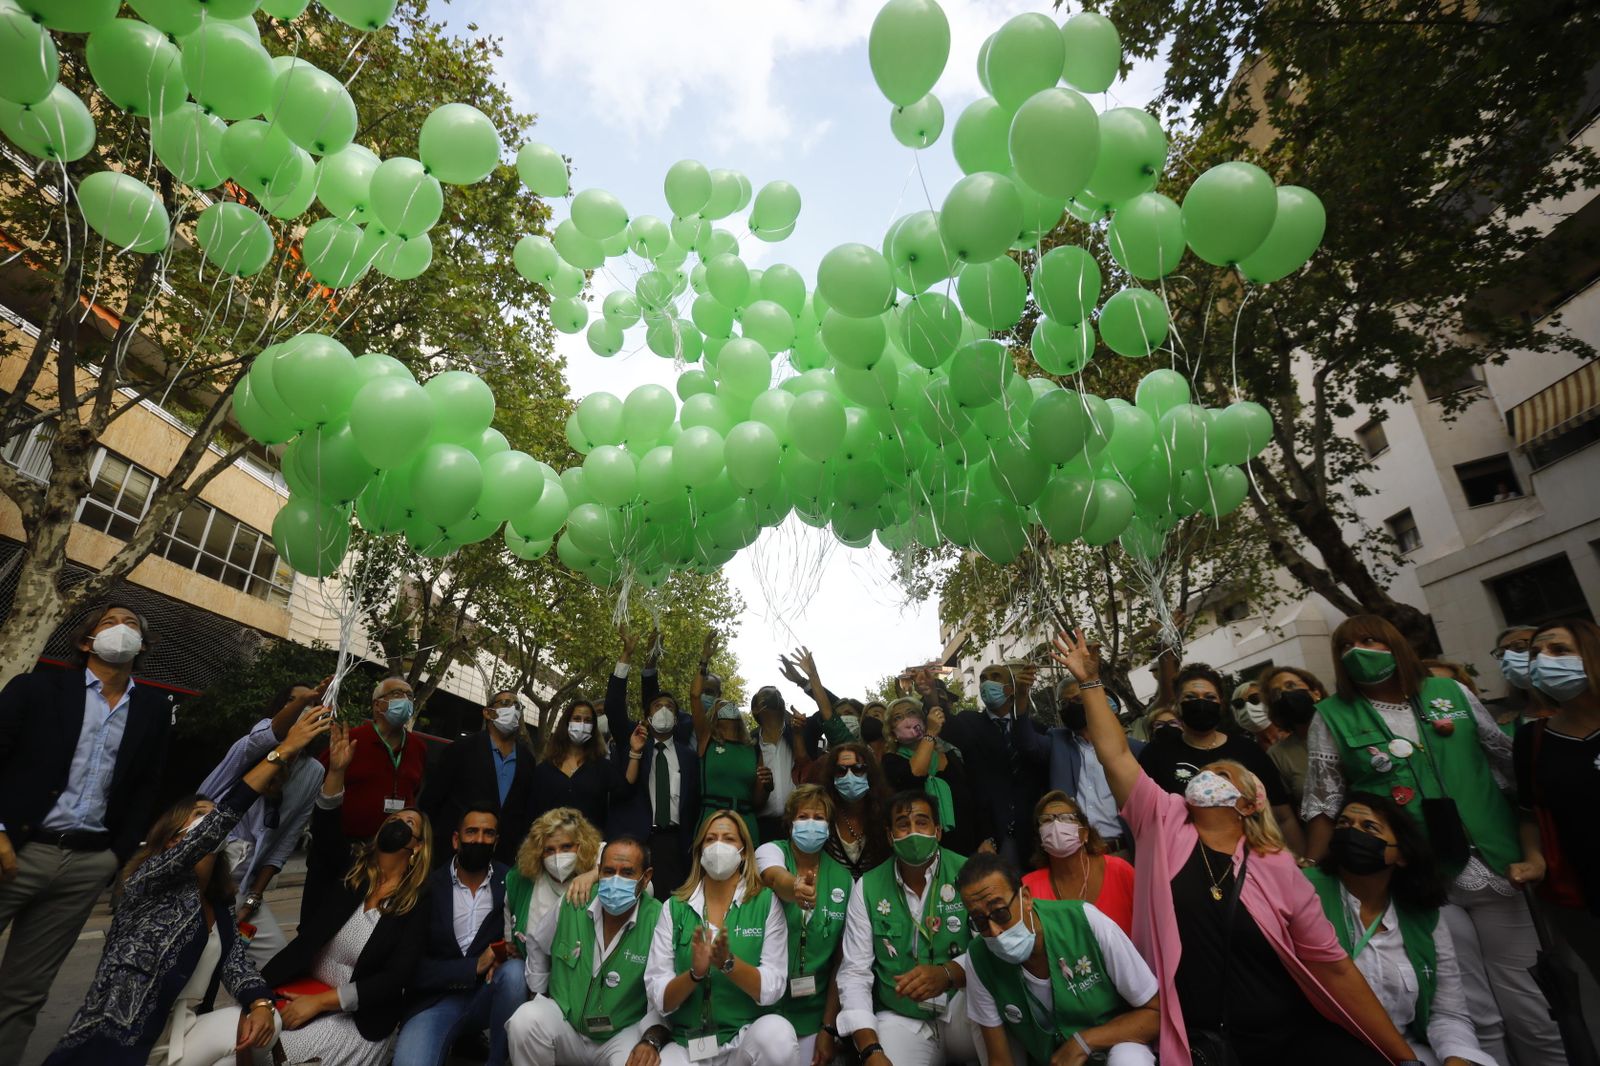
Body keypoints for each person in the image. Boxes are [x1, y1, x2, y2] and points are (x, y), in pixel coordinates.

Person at [1051, 627, 1422, 1066]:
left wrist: (1404, 1058)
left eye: (1224, 774)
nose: (1209, 774)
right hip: (1206, 1043)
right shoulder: (1163, 820)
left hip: (1287, 1034)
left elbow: (1335, 967)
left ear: (1250, 802)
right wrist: (1091, 682)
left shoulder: (1278, 865)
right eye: (1206, 773)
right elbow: (1115, 755)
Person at [1304, 614, 1562, 1066]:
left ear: (1395, 644)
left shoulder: (1451, 693)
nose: (1357, 650)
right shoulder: (1330, 716)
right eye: (1345, 645)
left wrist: (1536, 844)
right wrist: (1313, 868)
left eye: (1369, 640)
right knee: (1470, 1008)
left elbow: (1506, 764)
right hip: (1422, 882)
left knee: (1530, 998)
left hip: (1502, 866)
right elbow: (1325, 801)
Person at [43, 705, 333, 1065]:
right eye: (199, 815)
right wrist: (283, 750)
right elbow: (222, 821)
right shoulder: (149, 880)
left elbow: (237, 965)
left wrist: (259, 1002)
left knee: (259, 1026)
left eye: (210, 814)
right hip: (122, 1040)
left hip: (186, 1031)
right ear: (170, 840)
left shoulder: (221, 902)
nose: (209, 819)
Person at [0, 603, 173, 1057]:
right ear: (85, 641)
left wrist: (115, 856)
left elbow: (146, 785)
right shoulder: (37, 688)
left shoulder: (153, 709)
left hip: (84, 864)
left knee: (24, 993)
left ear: (142, 645)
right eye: (110, 623)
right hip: (14, 848)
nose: (121, 630)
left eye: (132, 624)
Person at [262, 721, 434, 1065]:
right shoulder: (352, 873)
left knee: (277, 1053)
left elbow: (394, 978)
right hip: (299, 987)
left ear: (417, 847)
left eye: (409, 824)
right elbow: (326, 834)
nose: (399, 822)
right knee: (246, 1039)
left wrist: (322, 1002)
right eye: (395, 818)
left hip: (355, 1018)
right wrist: (337, 772)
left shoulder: (416, 901)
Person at [1307, 793, 1493, 1066]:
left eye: (1368, 827)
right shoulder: (1304, 891)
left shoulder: (1423, 916)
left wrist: (1458, 1059)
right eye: (1344, 824)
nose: (1351, 832)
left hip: (1405, 1052)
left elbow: (1447, 1014)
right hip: (1326, 1051)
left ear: (1402, 855)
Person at [959, 852, 1160, 1066]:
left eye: (1000, 912)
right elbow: (999, 1059)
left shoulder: (1085, 921)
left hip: (1115, 1043)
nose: (995, 931)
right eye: (980, 921)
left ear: (1025, 898)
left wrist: (1084, 1042)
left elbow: (1155, 1014)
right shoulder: (979, 958)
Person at [837, 790, 979, 1066]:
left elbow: (994, 949)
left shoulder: (970, 873)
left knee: (999, 1010)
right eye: (903, 824)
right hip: (902, 1018)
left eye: (922, 822)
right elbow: (855, 973)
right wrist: (870, 1051)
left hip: (962, 1007)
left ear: (938, 831)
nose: (913, 832)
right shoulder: (867, 886)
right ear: (890, 836)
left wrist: (948, 973)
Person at [645, 810, 797, 1066]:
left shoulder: (765, 903)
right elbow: (660, 997)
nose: (718, 846)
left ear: (744, 851)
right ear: (699, 851)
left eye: (728, 839)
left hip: (743, 1040)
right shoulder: (674, 907)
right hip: (688, 1044)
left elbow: (773, 987)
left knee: (778, 1037)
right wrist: (695, 974)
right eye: (710, 839)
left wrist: (729, 964)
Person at [197, 680, 328, 966]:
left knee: (275, 961)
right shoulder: (252, 747)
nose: (303, 709)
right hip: (200, 871)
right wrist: (304, 701)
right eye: (294, 702)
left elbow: (285, 841)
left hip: (242, 886)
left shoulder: (313, 772)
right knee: (191, 957)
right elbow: (272, 733)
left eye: (311, 706)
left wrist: (254, 897)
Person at [507, 835, 670, 1066]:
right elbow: (536, 941)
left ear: (646, 878)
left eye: (627, 873)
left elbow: (662, 992)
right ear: (598, 872)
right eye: (608, 871)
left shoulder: (658, 919)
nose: (615, 880)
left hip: (620, 1034)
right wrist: (537, 993)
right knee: (524, 1021)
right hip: (567, 1023)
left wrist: (651, 1039)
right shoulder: (574, 901)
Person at [394, 806, 524, 1066]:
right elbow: (410, 967)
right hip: (435, 1001)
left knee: (515, 973)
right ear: (456, 840)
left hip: (487, 994)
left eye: (488, 834)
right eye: (472, 832)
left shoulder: (510, 881)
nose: (479, 840)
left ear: (496, 842)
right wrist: (472, 966)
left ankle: (497, 1061)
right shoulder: (426, 887)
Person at [1137, 661, 1307, 857]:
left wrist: (1302, 861)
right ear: (1177, 705)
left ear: (1221, 704)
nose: (1200, 703)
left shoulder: (1248, 751)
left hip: (1254, 860)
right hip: (1187, 863)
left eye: (1209, 697)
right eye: (1190, 697)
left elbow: (1282, 816)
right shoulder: (1156, 755)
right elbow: (1146, 820)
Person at [1513, 619, 1600, 998]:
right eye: (1536, 654)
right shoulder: (1532, 739)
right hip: (1586, 897)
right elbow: (1531, 812)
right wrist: (1534, 859)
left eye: (1559, 650)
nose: (1542, 661)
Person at [303, 675, 429, 915]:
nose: (406, 700)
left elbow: (414, 791)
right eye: (396, 694)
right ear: (377, 705)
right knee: (321, 925)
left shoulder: (418, 748)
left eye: (410, 696)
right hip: (341, 854)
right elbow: (318, 791)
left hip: (390, 859)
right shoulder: (351, 740)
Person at [754, 785, 851, 1066]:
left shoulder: (844, 879)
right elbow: (774, 878)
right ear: (790, 822)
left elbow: (841, 963)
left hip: (814, 1012)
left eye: (819, 818)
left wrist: (827, 1028)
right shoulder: (771, 852)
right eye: (803, 816)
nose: (811, 823)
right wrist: (795, 887)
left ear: (830, 827)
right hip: (763, 1008)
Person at [606, 642, 701, 899]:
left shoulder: (690, 758)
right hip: (637, 839)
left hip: (675, 844)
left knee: (670, 908)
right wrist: (625, 656)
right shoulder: (634, 743)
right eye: (657, 706)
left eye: (670, 707)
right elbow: (613, 708)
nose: (664, 711)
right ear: (647, 716)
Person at [940, 662, 1049, 865]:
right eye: (983, 678)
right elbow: (947, 727)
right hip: (992, 834)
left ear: (1011, 687)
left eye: (996, 677)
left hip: (1034, 831)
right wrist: (932, 696)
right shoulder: (968, 722)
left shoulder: (1037, 730)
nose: (987, 682)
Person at [419, 690, 539, 867]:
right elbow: (432, 800)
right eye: (505, 703)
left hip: (502, 858)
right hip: (456, 854)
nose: (513, 709)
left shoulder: (527, 759)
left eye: (517, 706)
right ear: (487, 712)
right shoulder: (461, 749)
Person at [1047, 677, 1142, 856]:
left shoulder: (1135, 750)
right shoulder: (1059, 741)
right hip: (1077, 853)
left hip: (1121, 851)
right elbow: (1026, 740)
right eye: (1064, 703)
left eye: (1077, 700)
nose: (1071, 706)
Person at [1020, 791, 1136, 937]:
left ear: (1085, 833)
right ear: (1041, 836)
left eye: (1066, 818)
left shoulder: (1119, 871)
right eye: (1047, 820)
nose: (1056, 825)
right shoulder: (1029, 887)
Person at [881, 697, 985, 855]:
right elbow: (915, 773)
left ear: (923, 719)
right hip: (922, 851)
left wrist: (985, 838)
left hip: (966, 846)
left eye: (911, 713)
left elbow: (974, 797)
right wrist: (930, 734)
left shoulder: (950, 755)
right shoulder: (891, 761)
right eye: (898, 718)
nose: (907, 720)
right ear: (892, 733)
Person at [691, 632, 763, 843]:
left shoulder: (753, 748)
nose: (726, 704)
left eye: (730, 704)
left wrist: (766, 786)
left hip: (746, 822)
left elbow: (758, 801)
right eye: (720, 704)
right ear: (714, 713)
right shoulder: (707, 739)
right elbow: (695, 696)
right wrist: (704, 660)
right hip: (712, 820)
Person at [532, 697, 641, 831]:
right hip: (552, 845)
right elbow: (533, 813)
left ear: (593, 727)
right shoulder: (544, 769)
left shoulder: (601, 767)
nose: (582, 724)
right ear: (566, 723)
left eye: (588, 720)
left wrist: (635, 752)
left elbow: (626, 789)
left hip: (589, 846)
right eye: (577, 719)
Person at [505, 806, 603, 949]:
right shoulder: (520, 880)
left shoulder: (596, 860)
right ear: (538, 852)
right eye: (549, 850)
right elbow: (509, 938)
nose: (558, 856)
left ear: (582, 845)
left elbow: (639, 879)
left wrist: (594, 874)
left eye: (566, 847)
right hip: (533, 962)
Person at [817, 741, 891, 878]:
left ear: (870, 773)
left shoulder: (886, 815)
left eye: (858, 769)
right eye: (841, 771)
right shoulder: (823, 817)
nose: (849, 777)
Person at [1261, 666, 1326, 813]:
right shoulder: (1278, 754)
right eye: (1276, 693)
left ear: (1316, 693)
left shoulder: (1345, 731)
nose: (1285, 694)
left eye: (1291, 685)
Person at [752, 686, 807, 844]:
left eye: (777, 695)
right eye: (766, 695)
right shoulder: (750, 743)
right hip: (763, 827)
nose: (773, 695)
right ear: (755, 709)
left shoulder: (799, 734)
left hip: (798, 824)